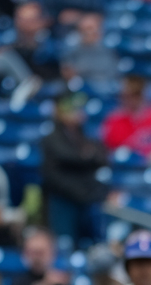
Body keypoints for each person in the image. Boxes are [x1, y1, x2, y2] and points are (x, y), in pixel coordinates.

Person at [40, 90, 109, 240]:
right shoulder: (51, 138)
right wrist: (85, 157)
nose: (76, 112)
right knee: (65, 244)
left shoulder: (86, 134)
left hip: (88, 200)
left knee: (92, 242)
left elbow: (101, 157)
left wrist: (85, 157)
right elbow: (66, 158)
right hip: (63, 201)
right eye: (70, 108)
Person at [61, 12, 118, 89]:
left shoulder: (110, 46)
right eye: (87, 29)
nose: (91, 32)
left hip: (108, 85)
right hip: (84, 87)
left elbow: (114, 71)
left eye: (94, 28)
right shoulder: (71, 47)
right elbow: (68, 71)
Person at [10, 2, 59, 81]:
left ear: (43, 21)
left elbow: (46, 58)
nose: (23, 24)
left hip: (49, 81)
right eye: (20, 19)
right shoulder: (10, 40)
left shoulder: (52, 39)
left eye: (29, 20)